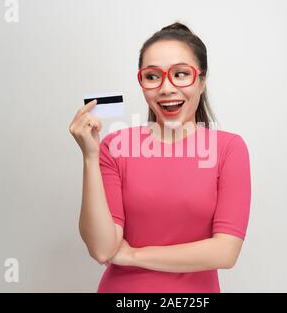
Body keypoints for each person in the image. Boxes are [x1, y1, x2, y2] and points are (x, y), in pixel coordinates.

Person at [69, 22, 252, 293]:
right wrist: (89, 157)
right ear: (142, 83)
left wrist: (132, 256)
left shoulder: (229, 149)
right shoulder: (116, 146)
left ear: (202, 82)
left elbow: (225, 252)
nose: (166, 88)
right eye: (153, 76)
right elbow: (102, 248)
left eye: (180, 74)